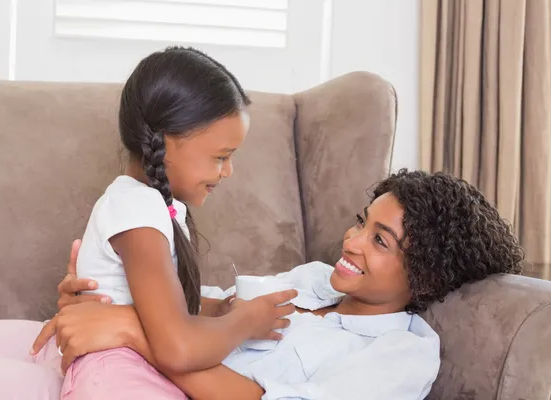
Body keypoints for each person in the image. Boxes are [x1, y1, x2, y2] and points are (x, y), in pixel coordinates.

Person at [28, 169, 524, 400]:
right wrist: (106, 297)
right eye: (360, 222)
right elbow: (207, 308)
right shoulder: (313, 283)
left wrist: (133, 330)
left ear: (427, 273)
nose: (350, 241)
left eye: (380, 241)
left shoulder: (403, 353)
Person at [30, 46, 298, 398]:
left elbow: (160, 304)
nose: (228, 171)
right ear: (167, 141)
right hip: (115, 375)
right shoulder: (136, 209)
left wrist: (219, 308)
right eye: (221, 157)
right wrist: (245, 321)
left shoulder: (157, 206)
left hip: (133, 363)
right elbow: (177, 347)